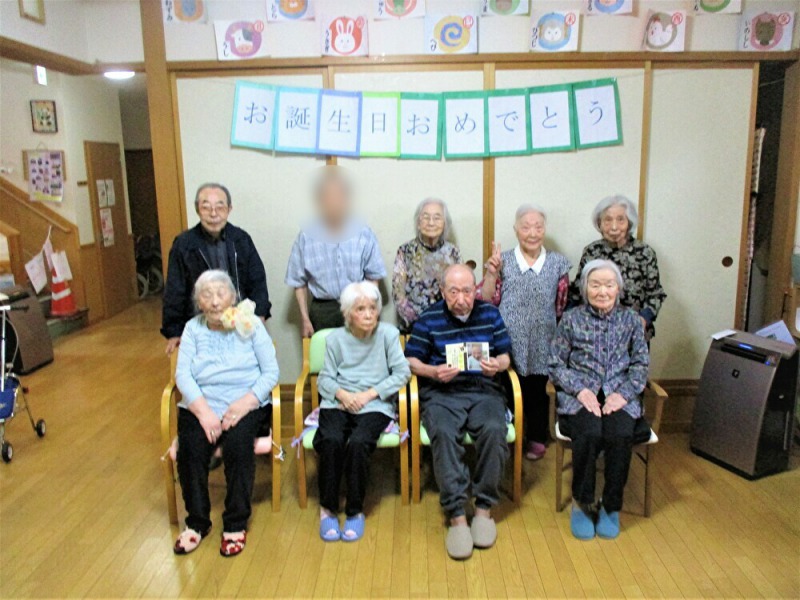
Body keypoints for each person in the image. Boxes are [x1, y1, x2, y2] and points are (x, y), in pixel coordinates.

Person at [405, 264, 513, 561]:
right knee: (442, 433)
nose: (461, 299)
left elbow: (505, 355)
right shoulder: (429, 318)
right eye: (453, 292)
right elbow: (411, 360)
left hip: (483, 389)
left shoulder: (490, 313)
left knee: (494, 429)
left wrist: (498, 365)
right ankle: (456, 515)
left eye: (467, 291)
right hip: (442, 393)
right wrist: (433, 372)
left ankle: (484, 508)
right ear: (442, 292)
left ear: (475, 290)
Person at [172, 270, 279, 557]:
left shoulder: (251, 325)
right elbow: (183, 375)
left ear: (234, 297)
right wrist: (204, 411)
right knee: (190, 449)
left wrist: (245, 403)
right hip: (202, 404)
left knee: (238, 447)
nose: (215, 301)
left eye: (221, 294)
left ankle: (235, 523)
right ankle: (197, 522)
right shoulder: (192, 329)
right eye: (207, 295)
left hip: (245, 403)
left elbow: (271, 372)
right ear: (198, 302)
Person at [549, 260, 649, 541]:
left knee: (620, 434)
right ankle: (582, 502)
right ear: (585, 289)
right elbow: (555, 363)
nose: (602, 291)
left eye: (609, 285)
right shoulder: (571, 319)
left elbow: (641, 364)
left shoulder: (632, 320)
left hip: (620, 393)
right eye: (595, 285)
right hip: (580, 395)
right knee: (589, 433)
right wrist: (580, 390)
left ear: (618, 289)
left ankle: (611, 505)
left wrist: (624, 394)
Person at [314, 282, 411, 542]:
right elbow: (324, 379)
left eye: (372, 308)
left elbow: (402, 373)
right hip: (339, 402)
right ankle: (327, 508)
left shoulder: (388, 334)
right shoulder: (335, 339)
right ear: (347, 314)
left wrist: (369, 394)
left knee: (358, 442)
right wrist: (344, 395)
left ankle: (355, 510)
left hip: (375, 403)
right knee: (331, 439)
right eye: (360, 309)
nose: (369, 314)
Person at [478, 205, 571, 461]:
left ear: (545, 230)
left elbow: (561, 304)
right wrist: (491, 273)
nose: (532, 233)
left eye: (538, 227)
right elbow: (486, 299)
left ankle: (537, 437)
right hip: (508, 337)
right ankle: (509, 436)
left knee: (538, 389)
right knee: (508, 386)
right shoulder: (503, 261)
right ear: (516, 230)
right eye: (526, 227)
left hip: (544, 337)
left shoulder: (558, 263)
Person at [161, 183, 271, 355]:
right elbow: (175, 290)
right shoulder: (183, 244)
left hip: (239, 323)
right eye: (206, 207)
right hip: (202, 325)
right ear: (197, 210)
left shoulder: (241, 239)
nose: (213, 214)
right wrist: (174, 331)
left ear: (229, 209)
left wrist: (259, 316)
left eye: (220, 207)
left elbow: (258, 282)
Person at [285, 167, 386, 336]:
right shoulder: (306, 235)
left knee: (358, 352)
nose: (334, 202)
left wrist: (369, 310)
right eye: (328, 197)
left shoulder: (363, 232)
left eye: (339, 196)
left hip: (357, 306)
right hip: (322, 310)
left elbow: (374, 276)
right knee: (323, 352)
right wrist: (305, 318)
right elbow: (298, 281)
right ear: (320, 201)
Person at [569, 195, 666, 341]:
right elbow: (578, 290)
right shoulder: (591, 252)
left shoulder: (644, 252)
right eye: (607, 220)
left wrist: (643, 319)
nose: (614, 227)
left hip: (633, 332)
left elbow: (655, 294)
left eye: (621, 220)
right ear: (599, 224)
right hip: (594, 332)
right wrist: (569, 320)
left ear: (629, 223)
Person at [392, 198, 462, 332]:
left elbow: (460, 291)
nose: (431, 223)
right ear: (418, 223)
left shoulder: (453, 252)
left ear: (444, 223)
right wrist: (420, 324)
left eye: (437, 218)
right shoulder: (405, 251)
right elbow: (398, 294)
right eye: (425, 217)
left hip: (447, 327)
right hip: (414, 328)